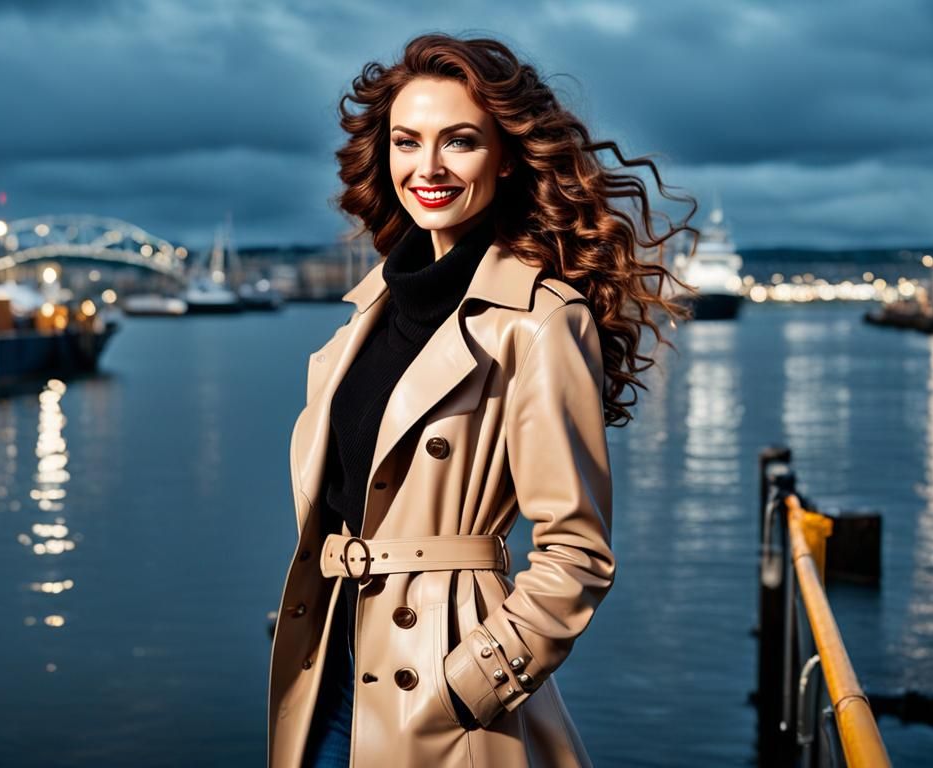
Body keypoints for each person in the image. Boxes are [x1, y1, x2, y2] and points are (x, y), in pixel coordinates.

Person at [267, 33, 696, 768]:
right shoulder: (367, 313)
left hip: (435, 689)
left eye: (458, 141)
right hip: (326, 664)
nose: (427, 167)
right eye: (408, 141)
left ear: (504, 155)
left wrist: (466, 687)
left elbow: (576, 555)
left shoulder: (539, 319)